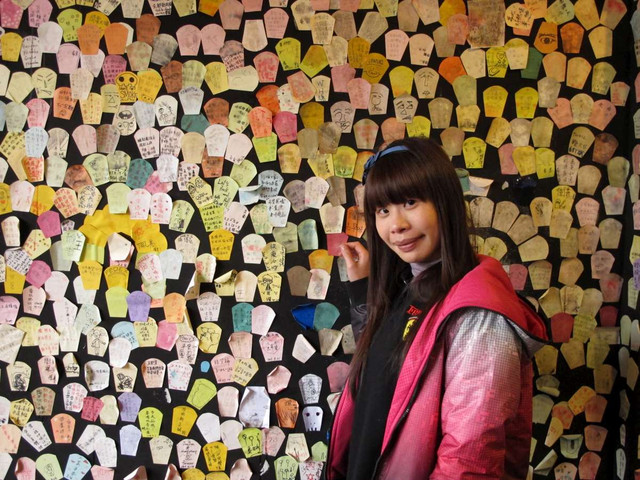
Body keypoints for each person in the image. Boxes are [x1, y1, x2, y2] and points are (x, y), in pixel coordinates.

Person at [326, 137, 548, 480]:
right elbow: (390, 372)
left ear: (444, 201)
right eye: (383, 210)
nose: (396, 224)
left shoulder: (479, 315)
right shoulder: (411, 286)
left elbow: (468, 463)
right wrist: (362, 291)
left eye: (410, 202)